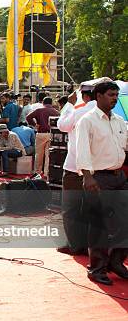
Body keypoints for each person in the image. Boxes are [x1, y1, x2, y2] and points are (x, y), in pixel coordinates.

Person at [75, 80, 128, 286]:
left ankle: (116, 261)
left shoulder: (119, 121)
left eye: (116, 95)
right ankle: (96, 269)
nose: (115, 98)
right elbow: (82, 151)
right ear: (98, 96)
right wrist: (88, 177)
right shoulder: (87, 121)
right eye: (111, 95)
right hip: (98, 178)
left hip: (119, 177)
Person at [56, 81, 99, 256]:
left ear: (84, 95)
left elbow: (62, 125)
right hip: (97, 169)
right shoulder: (107, 113)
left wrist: (69, 104)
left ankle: (75, 244)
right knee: (92, 209)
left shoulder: (79, 111)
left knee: (71, 208)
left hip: (75, 167)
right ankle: (91, 246)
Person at [27, 97, 60, 178]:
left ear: (43, 103)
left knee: (39, 155)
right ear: (51, 103)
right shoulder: (56, 112)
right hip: (51, 134)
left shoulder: (39, 110)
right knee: (48, 156)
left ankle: (37, 172)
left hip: (41, 133)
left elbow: (28, 117)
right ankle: (46, 173)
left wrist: (35, 125)